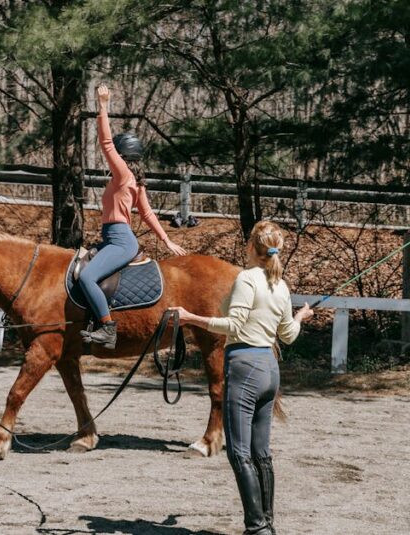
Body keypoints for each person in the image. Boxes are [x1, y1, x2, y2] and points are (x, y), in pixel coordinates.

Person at [170, 221, 313, 535]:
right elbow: (287, 335)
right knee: (261, 452)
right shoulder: (281, 285)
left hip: (245, 367)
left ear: (251, 247)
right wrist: (301, 316)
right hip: (268, 371)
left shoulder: (246, 279)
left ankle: (256, 526)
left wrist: (190, 317)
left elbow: (233, 325)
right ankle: (267, 525)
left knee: (239, 452)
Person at [80, 85, 187, 349]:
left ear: (122, 155)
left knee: (86, 277)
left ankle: (107, 328)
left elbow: (105, 143)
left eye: (116, 154)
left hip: (119, 239)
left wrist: (103, 106)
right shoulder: (135, 181)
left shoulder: (122, 174)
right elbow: (148, 213)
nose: (111, 158)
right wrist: (166, 240)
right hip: (114, 238)